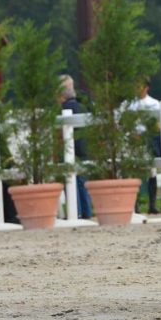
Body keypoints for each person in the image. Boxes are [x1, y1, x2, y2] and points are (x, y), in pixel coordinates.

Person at [58, 74, 92, 219]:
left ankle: (75, 212)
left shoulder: (63, 110)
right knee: (82, 183)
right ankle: (86, 213)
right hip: (85, 149)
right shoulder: (83, 107)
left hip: (71, 150)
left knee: (72, 181)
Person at [127, 79, 161, 215]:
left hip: (148, 139)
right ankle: (135, 205)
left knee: (151, 172)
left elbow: (158, 123)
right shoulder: (129, 104)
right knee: (135, 172)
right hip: (134, 139)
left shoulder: (153, 103)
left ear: (146, 87)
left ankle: (152, 204)